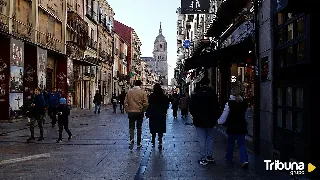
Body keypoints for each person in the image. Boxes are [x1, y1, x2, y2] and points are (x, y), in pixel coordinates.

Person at [190, 77, 219, 166]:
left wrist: (195, 116)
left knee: (202, 139)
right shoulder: (213, 93)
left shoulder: (196, 94)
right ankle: (209, 156)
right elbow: (217, 107)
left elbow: (191, 107)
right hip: (210, 120)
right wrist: (215, 117)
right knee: (210, 138)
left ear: (201, 84)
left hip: (199, 120)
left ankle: (203, 158)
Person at [217, 92, 249, 169]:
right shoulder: (244, 103)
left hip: (232, 126)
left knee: (230, 143)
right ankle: (244, 160)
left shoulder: (229, 103)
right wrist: (247, 123)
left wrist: (219, 121)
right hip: (242, 127)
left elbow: (225, 115)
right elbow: (246, 116)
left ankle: (228, 158)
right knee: (241, 144)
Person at [124, 80, 148, 150]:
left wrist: (127, 110)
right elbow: (146, 103)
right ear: (140, 85)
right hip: (139, 112)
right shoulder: (142, 92)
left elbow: (125, 102)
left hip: (131, 112)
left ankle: (131, 140)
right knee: (139, 127)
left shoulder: (129, 92)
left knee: (131, 127)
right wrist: (143, 110)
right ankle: (138, 143)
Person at [146, 83, 169, 149]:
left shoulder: (151, 96)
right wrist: (164, 112)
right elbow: (166, 105)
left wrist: (147, 113)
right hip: (161, 115)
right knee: (160, 129)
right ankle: (160, 142)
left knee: (153, 128)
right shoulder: (164, 96)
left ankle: (153, 140)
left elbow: (149, 105)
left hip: (153, 114)